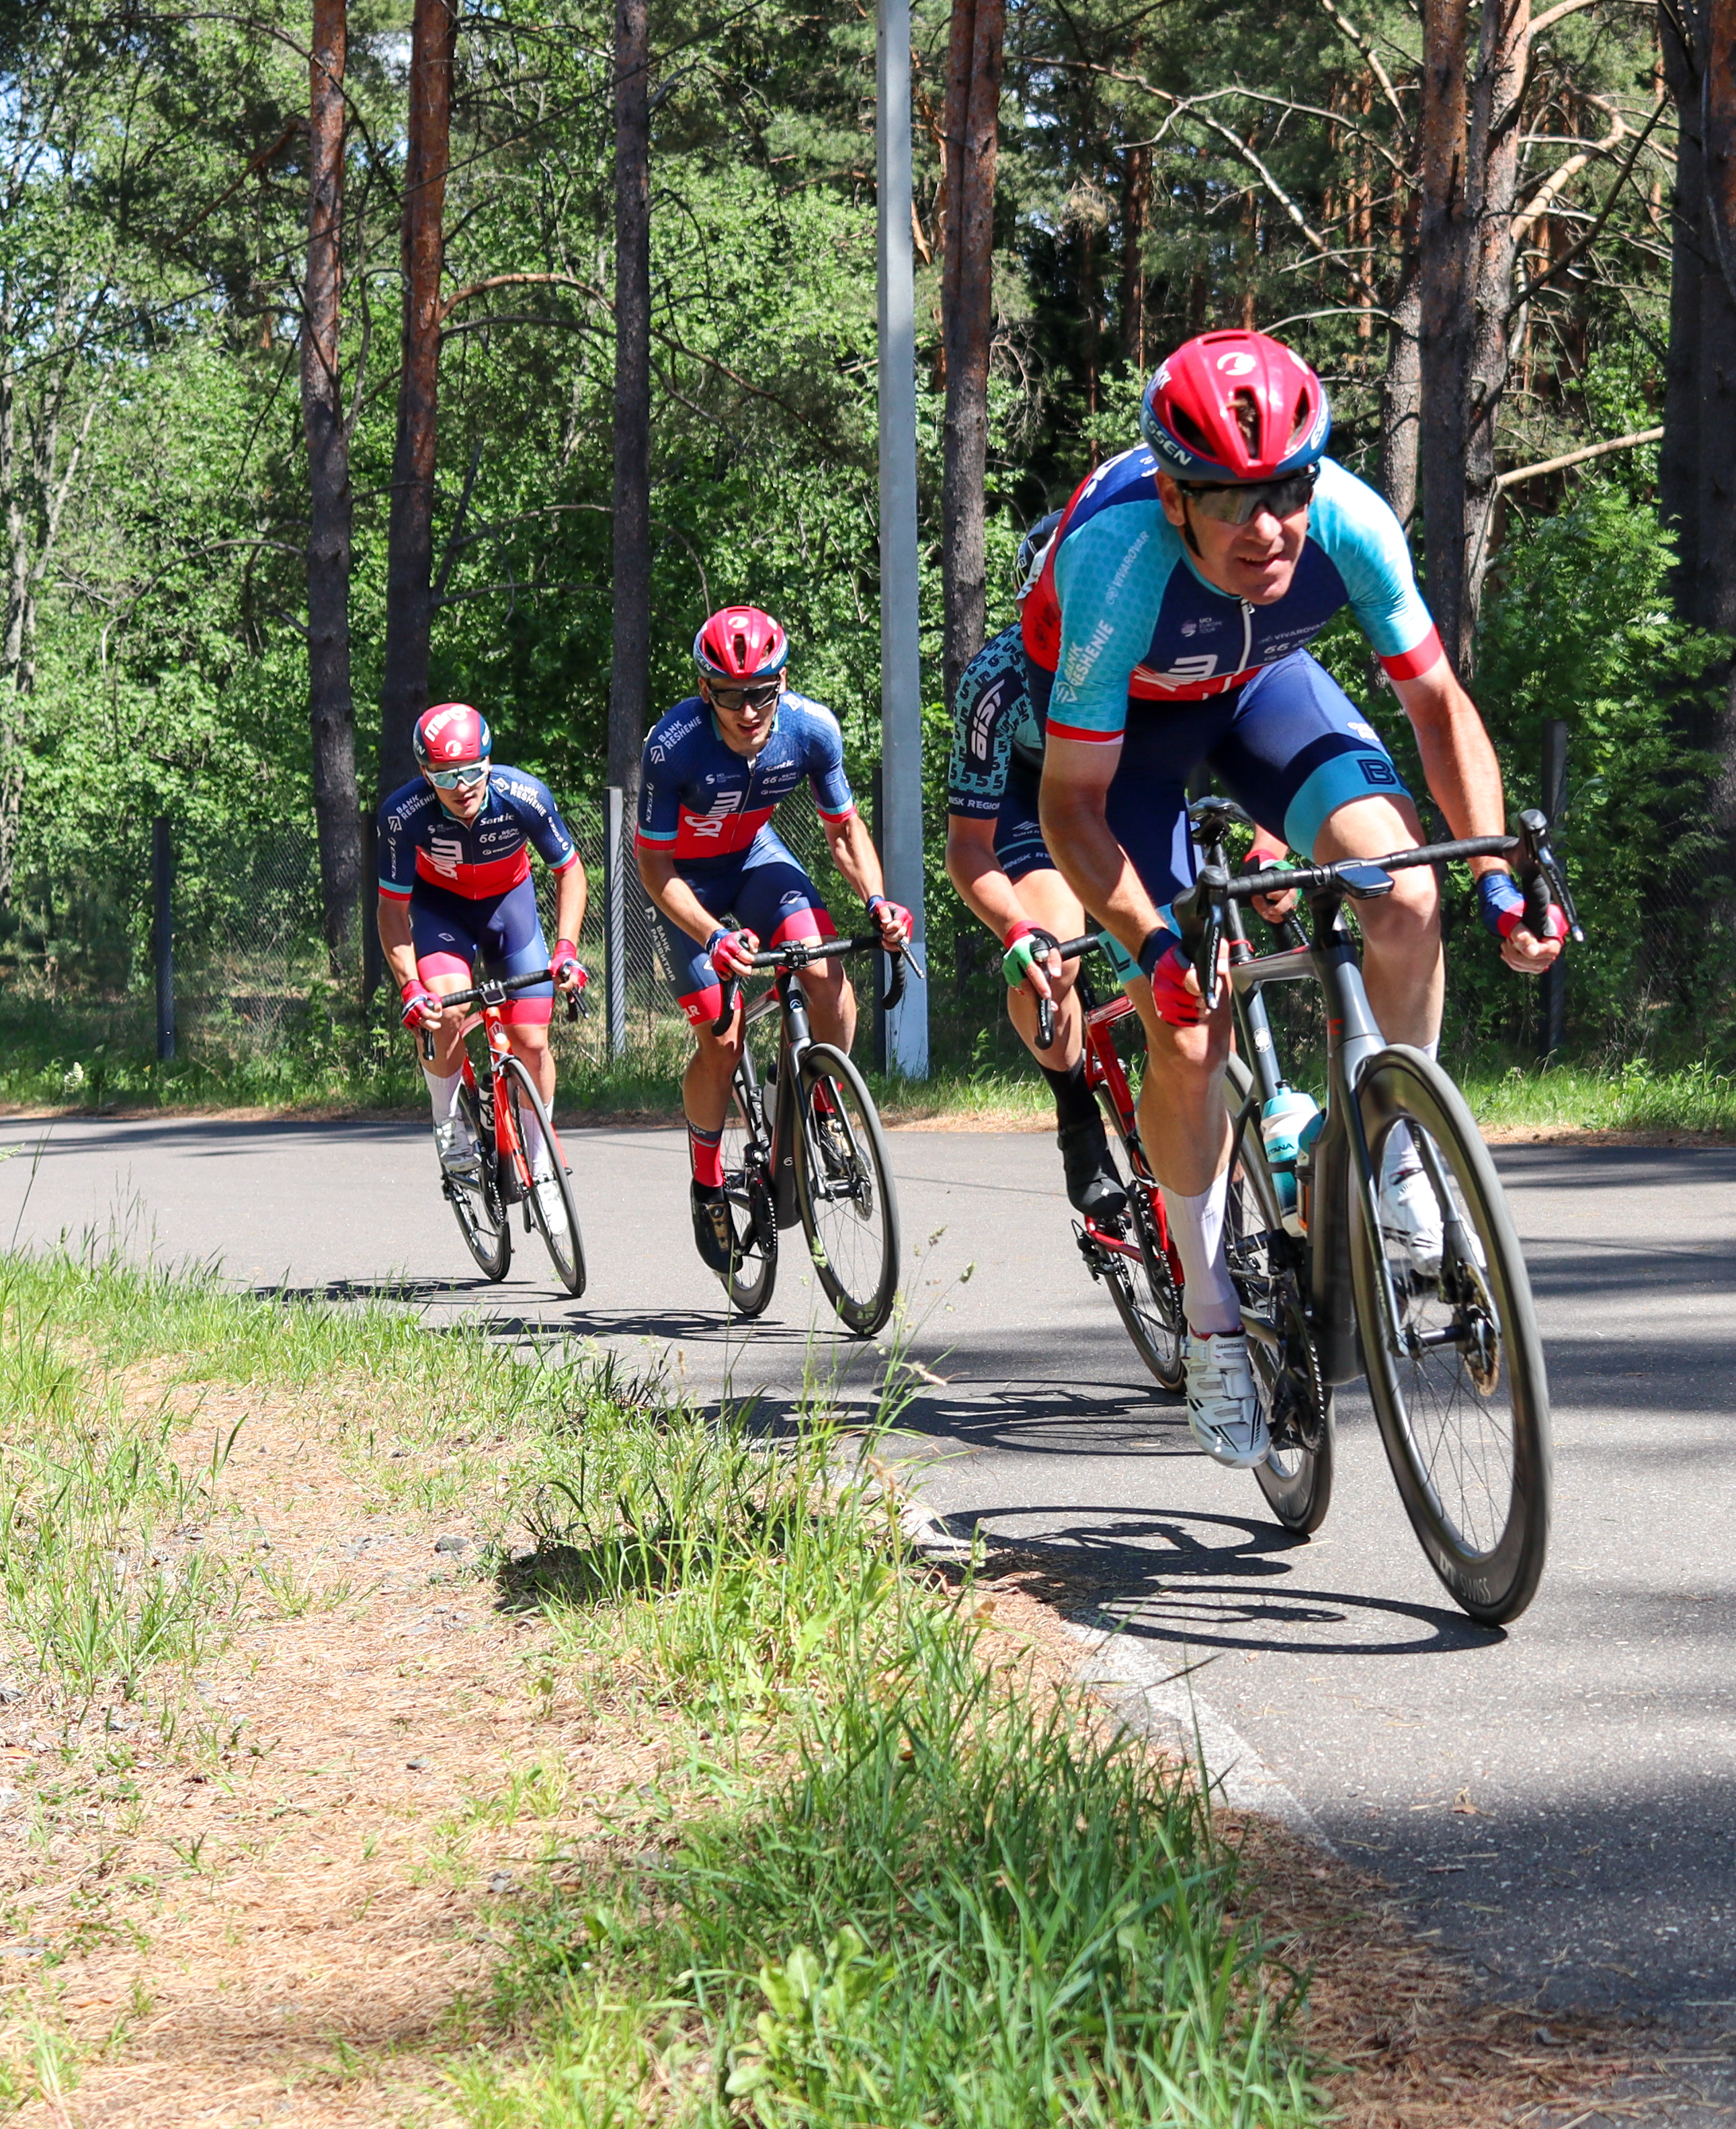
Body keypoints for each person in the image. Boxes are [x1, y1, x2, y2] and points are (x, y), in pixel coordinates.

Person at [1033, 329, 1567, 1466]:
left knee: (1406, 895)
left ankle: (1399, 1154)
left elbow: (1436, 707)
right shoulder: (1117, 561)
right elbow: (1070, 807)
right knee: (1185, 1023)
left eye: (1285, 489)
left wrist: (1494, 876)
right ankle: (1213, 1309)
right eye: (1229, 500)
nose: (1265, 526)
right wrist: (1146, 938)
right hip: (1124, 737)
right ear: (1176, 497)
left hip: (1264, 688)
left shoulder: (1350, 521)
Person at [945, 514, 1296, 1229]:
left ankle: (1208, 1188)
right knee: (1058, 954)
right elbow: (966, 846)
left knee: (1211, 964)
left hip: (1134, 786)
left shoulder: (1152, 643)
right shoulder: (994, 681)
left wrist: (1270, 846)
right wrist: (1015, 927)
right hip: (1032, 800)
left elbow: (1255, 744)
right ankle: (1076, 1111)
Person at [638, 605, 915, 1273]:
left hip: (758, 861)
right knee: (722, 1038)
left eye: (761, 691)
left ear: (781, 681)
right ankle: (706, 1184)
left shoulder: (810, 729)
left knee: (826, 978)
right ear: (705, 689)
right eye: (730, 694)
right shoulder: (671, 745)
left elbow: (844, 831)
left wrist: (876, 901)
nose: (747, 708)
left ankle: (819, 1102)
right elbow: (653, 866)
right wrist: (710, 936)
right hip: (690, 887)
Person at [376, 703, 589, 1185]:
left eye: (472, 771)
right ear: (423, 772)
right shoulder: (401, 814)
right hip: (441, 912)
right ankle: (448, 1122)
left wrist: (566, 948)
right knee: (444, 1010)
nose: (462, 786)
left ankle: (541, 1155)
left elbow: (569, 870)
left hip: (508, 909)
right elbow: (391, 910)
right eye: (445, 775)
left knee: (533, 1039)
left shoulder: (525, 795)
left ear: (490, 761)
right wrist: (410, 985)